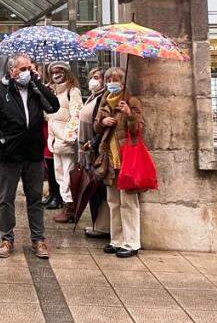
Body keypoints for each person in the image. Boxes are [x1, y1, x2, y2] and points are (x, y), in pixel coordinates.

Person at [0, 54, 58, 260]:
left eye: (29, 68)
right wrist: (2, 140)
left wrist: (38, 82)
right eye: (22, 69)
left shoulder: (34, 90)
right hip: (9, 155)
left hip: (33, 153)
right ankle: (7, 238)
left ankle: (38, 239)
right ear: (11, 71)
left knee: (35, 199)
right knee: (7, 199)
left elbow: (54, 106)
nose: (26, 72)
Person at [94, 66, 144, 259]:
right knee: (113, 201)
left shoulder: (131, 101)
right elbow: (97, 126)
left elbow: (138, 128)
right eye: (109, 80)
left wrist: (129, 114)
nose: (112, 83)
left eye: (116, 80)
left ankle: (131, 242)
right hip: (109, 158)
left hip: (126, 158)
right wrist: (103, 122)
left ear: (123, 83)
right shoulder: (105, 100)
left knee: (128, 202)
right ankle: (116, 239)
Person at [47, 62, 83, 224]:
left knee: (68, 175)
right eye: (53, 72)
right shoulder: (52, 91)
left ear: (66, 72)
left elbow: (76, 115)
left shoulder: (73, 91)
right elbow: (48, 115)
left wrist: (68, 136)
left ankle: (70, 207)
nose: (56, 74)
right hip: (54, 140)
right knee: (59, 174)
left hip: (66, 140)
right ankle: (66, 204)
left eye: (59, 71)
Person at [79, 67, 110, 239]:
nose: (93, 80)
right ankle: (97, 223)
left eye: (97, 77)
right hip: (88, 149)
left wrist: (94, 142)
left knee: (99, 190)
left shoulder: (104, 98)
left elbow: (98, 123)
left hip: (96, 148)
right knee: (94, 190)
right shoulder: (94, 96)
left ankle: (102, 225)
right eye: (91, 76)